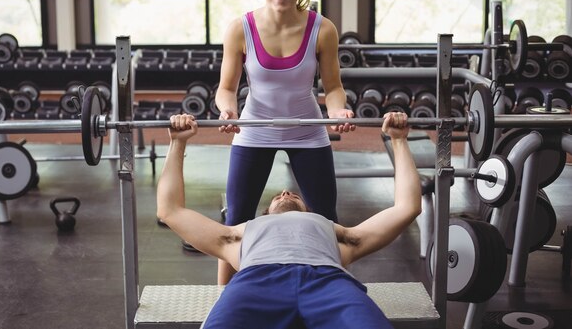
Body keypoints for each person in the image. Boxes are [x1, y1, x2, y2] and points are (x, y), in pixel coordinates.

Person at [156, 113, 421, 329]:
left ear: (308, 212)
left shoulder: (337, 234)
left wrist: (399, 141)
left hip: (328, 282)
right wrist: (177, 142)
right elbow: (169, 211)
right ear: (266, 215)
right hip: (256, 282)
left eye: (292, 194)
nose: (285, 193)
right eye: (278, 196)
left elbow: (407, 208)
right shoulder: (238, 235)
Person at [215, 0, 355, 284]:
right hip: (254, 130)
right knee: (237, 220)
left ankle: (336, 290)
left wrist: (339, 110)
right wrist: (228, 109)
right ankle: (222, 298)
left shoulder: (322, 29)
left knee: (326, 219)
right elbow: (226, 87)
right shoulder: (239, 28)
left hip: (307, 130)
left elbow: (333, 87)